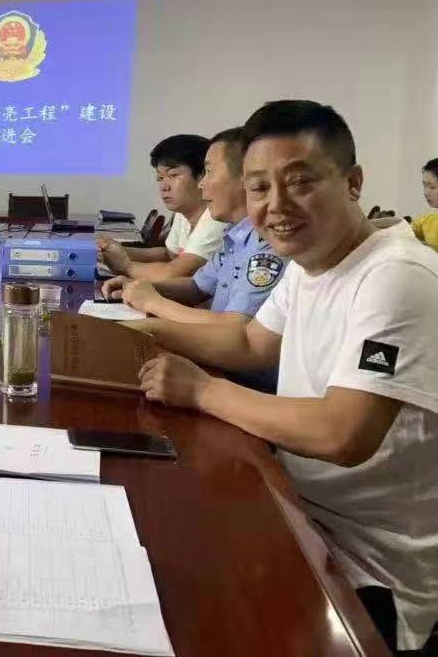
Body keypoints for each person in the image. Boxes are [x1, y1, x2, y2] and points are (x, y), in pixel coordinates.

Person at [135, 101, 437, 656]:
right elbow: (250, 342)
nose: (276, 205)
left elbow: (343, 433)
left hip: (369, 569)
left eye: (300, 182)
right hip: (298, 511)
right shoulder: (310, 264)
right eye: (258, 187)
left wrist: (204, 390)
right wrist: (137, 331)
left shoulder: (397, 276)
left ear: (352, 182)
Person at [102, 128, 286, 391]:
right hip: (215, 365)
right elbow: (196, 286)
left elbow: (235, 328)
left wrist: (154, 302)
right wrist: (142, 286)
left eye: (209, 172)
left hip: (242, 383)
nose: (201, 184)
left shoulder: (267, 246)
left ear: (244, 179)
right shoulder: (236, 234)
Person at [98, 134, 226, 280]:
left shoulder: (216, 218)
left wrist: (125, 266)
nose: (164, 187)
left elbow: (175, 272)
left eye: (173, 175)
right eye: (160, 178)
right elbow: (169, 255)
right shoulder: (183, 212)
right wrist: (113, 251)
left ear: (201, 175)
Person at [410, 157, 438, 249]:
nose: (425, 192)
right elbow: (403, 232)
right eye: (424, 186)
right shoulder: (427, 220)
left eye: (432, 187)